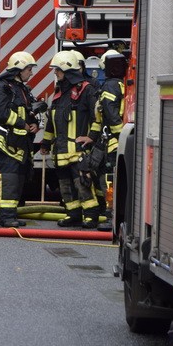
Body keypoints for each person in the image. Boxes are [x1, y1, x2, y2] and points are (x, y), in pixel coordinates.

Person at [41, 51, 100, 229]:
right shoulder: (59, 92)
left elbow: (97, 117)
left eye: (57, 71)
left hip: (78, 151)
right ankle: (72, 214)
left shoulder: (87, 90)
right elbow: (52, 120)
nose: (55, 74)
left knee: (82, 184)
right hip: (61, 152)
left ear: (67, 70)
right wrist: (45, 143)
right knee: (65, 186)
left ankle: (91, 216)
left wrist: (91, 137)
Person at [0, 51, 39, 228]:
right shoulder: (0, 88)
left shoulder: (22, 89)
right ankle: (6, 217)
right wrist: (22, 123)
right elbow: (1, 112)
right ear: (18, 70)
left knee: (19, 176)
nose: (31, 73)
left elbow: (28, 111)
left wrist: (34, 124)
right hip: (4, 139)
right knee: (10, 176)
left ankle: (12, 213)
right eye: (29, 69)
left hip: (18, 141)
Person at [85, 49, 128, 232]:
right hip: (113, 140)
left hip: (113, 142)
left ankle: (112, 218)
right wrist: (92, 138)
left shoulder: (110, 86)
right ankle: (111, 214)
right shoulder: (121, 85)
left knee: (109, 181)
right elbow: (99, 118)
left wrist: (117, 135)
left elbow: (109, 114)